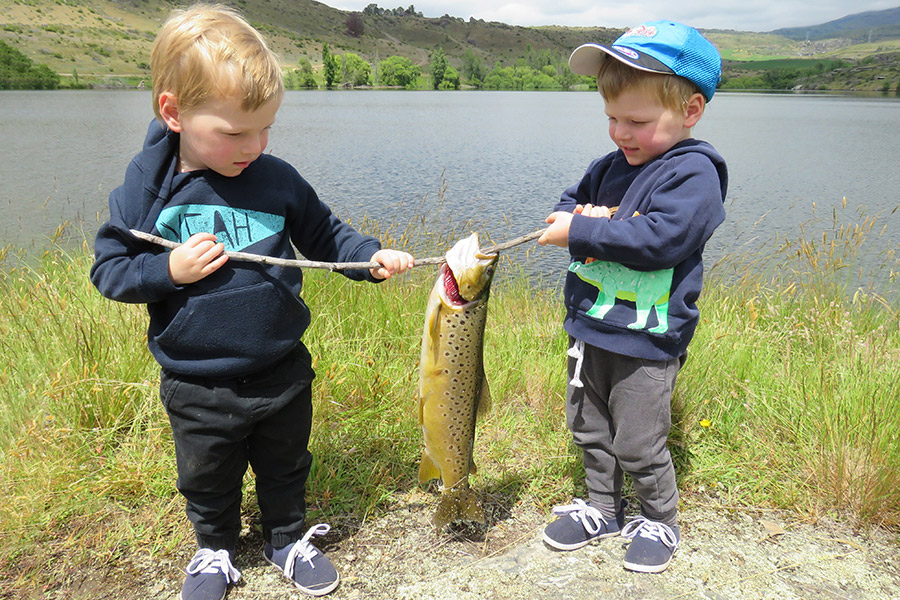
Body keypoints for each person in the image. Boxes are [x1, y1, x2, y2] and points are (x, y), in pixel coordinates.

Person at [89, 5, 414, 599]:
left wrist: (370, 258)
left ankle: (287, 538)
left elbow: (327, 236)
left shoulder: (276, 178)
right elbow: (110, 270)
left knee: (286, 463)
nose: (254, 145)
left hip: (281, 368)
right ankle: (214, 551)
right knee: (206, 475)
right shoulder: (147, 187)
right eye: (235, 132)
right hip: (196, 379)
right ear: (173, 113)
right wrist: (169, 269)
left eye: (266, 128)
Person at [537, 20, 728, 574]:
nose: (621, 133)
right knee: (589, 426)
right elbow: (567, 205)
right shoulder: (610, 167)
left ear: (690, 110)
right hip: (589, 327)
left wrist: (587, 230)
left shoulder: (694, 173)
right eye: (612, 119)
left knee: (640, 438)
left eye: (637, 121)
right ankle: (602, 507)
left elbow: (664, 238)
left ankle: (659, 518)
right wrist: (575, 217)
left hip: (648, 338)